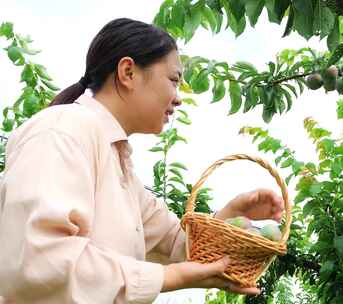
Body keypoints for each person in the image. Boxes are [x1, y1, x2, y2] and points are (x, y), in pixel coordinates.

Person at [0, 18, 284, 303]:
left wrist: (231, 216)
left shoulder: (120, 164)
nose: (178, 98)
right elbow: (40, 262)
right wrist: (171, 278)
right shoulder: (63, 130)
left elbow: (174, 243)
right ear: (128, 72)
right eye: (173, 80)